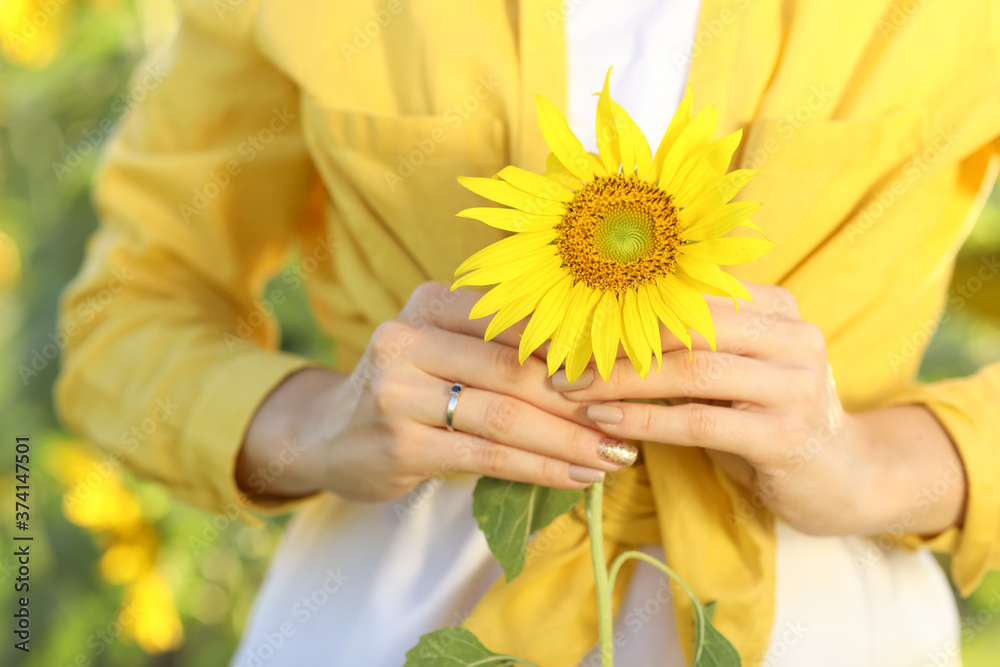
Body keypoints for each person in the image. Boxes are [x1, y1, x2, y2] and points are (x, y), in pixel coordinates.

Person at [55, 0, 1000, 665]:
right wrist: (314, 425)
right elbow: (125, 316)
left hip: (822, 627)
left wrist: (879, 462)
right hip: (389, 619)